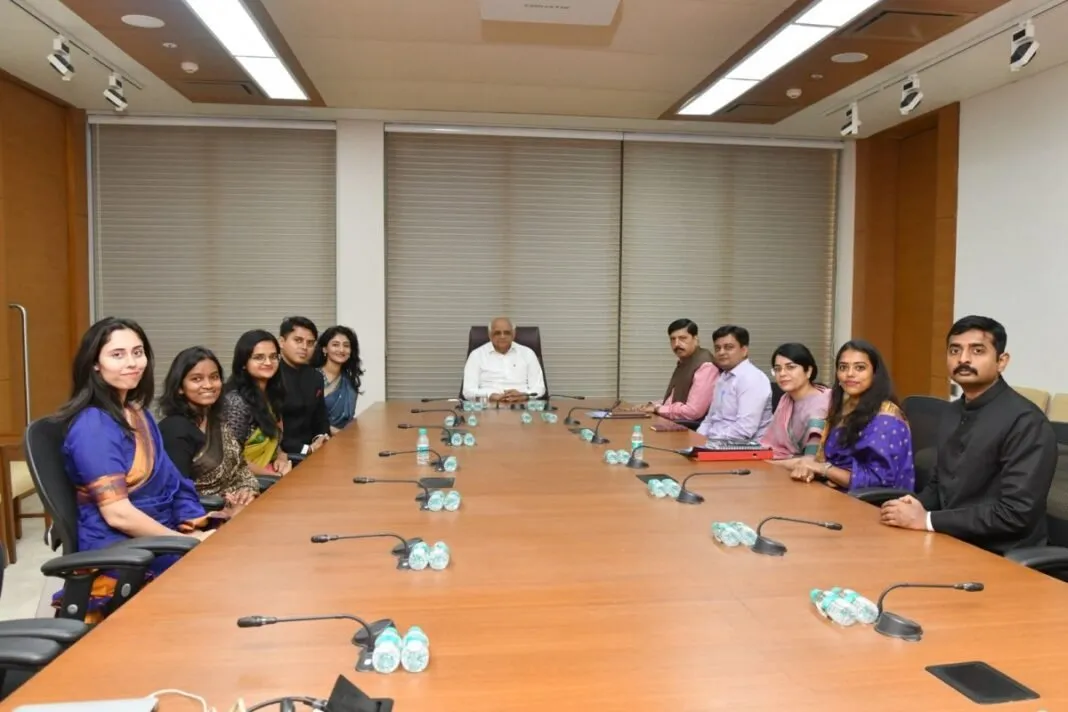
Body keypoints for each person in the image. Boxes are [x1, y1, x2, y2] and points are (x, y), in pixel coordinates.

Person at [52, 317, 215, 622]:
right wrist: (185, 542)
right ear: (95, 364)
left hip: (158, 536)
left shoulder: (136, 413)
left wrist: (193, 524)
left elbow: (173, 482)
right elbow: (118, 514)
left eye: (137, 353)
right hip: (122, 551)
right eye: (118, 354)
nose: (132, 363)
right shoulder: (93, 426)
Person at [881, 316, 1058, 554]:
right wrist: (912, 506)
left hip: (1001, 554)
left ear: (1001, 361)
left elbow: (1016, 513)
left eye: (977, 350)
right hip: (951, 540)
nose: (963, 359)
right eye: (955, 350)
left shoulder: (1026, 421)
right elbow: (940, 485)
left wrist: (928, 520)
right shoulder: (952, 412)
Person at [783, 340, 915, 492]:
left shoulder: (886, 419)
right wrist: (811, 468)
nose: (850, 374)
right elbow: (829, 462)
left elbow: (879, 481)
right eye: (843, 367)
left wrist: (824, 469)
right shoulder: (843, 407)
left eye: (860, 368)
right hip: (833, 491)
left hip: (870, 502)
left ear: (875, 373)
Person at [159, 346, 259, 511]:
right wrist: (225, 510)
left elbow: (241, 469)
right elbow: (176, 495)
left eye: (214, 377)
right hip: (201, 516)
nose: (208, 385)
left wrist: (246, 491)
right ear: (180, 387)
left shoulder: (216, 420)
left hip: (238, 508)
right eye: (196, 379)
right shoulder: (174, 430)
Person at [221, 330, 292, 476]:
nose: (268, 362)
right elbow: (232, 459)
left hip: (270, 473)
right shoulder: (236, 402)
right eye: (259, 357)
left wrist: (281, 456)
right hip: (242, 483)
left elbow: (274, 441)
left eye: (273, 357)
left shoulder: (272, 396)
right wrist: (274, 476)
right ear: (243, 363)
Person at [696, 325, 772, 440]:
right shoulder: (723, 377)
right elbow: (709, 420)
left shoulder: (752, 378)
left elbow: (744, 429)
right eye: (717, 348)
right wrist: (697, 439)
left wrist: (711, 442)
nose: (721, 352)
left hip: (742, 446)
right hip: (715, 442)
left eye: (728, 347)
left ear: (744, 350)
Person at [637, 319, 718, 421]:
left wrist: (658, 409)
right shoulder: (685, 362)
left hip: (690, 427)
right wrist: (651, 405)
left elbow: (693, 411)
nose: (677, 344)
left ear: (695, 339)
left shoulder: (705, 366)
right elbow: (675, 399)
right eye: (673, 339)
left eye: (683, 338)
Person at [760, 343, 831, 459]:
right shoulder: (786, 400)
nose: (782, 374)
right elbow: (772, 446)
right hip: (784, 463)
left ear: (808, 371)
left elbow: (812, 458)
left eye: (790, 367)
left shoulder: (821, 403)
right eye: (777, 369)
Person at [278, 316, 331, 461]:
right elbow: (270, 431)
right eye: (298, 340)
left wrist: (321, 438)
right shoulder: (271, 376)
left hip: (316, 453)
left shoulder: (316, 377)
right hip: (282, 457)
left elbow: (321, 418)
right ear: (282, 342)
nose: (304, 347)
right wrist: (307, 449)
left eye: (310, 343)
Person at [462, 317, 545, 404]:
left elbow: (539, 388)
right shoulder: (476, 355)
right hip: (488, 405)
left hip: (522, 405)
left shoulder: (528, 354)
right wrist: (489, 395)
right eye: (497, 333)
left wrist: (524, 395)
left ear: (513, 334)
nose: (502, 336)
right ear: (490, 335)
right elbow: (468, 391)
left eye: (507, 333)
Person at [310, 325, 363, 433]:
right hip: (316, 438)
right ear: (325, 349)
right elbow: (307, 418)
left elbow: (349, 419)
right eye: (335, 345)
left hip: (344, 438)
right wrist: (336, 434)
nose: (341, 350)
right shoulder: (312, 377)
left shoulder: (349, 380)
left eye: (346, 345)